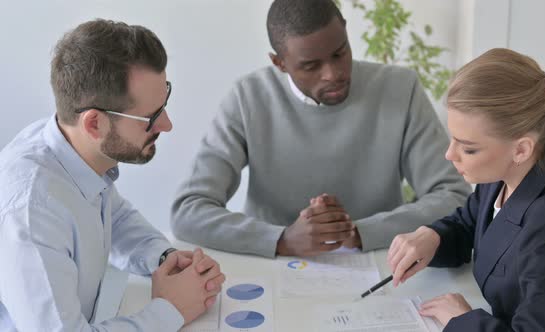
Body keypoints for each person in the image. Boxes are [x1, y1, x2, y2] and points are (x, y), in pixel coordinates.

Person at [170, 0, 471, 258]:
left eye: (340, 53)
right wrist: (281, 239)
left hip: (379, 262)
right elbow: (188, 211)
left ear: (346, 30)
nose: (334, 74)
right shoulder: (247, 98)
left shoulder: (400, 88)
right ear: (280, 63)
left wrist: (360, 232)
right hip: (270, 269)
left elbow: (455, 195)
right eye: (312, 66)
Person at [0, 19, 225, 331]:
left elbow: (114, 219)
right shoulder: (31, 211)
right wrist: (171, 310)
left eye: (164, 105)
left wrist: (164, 258)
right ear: (94, 124)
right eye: (150, 117)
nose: (167, 125)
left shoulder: (71, 148)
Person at [387, 48, 545, 331]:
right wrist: (432, 237)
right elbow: (470, 224)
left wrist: (463, 321)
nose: (450, 154)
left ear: (521, 149)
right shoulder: (501, 178)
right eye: (453, 140)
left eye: (468, 148)